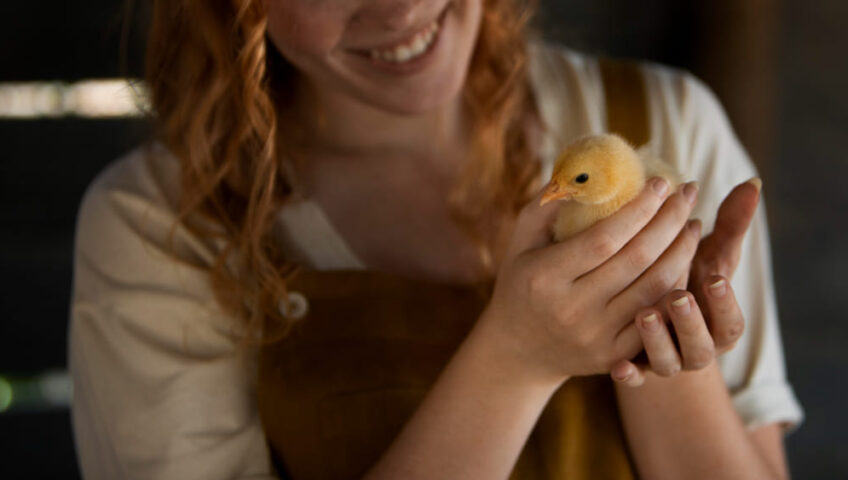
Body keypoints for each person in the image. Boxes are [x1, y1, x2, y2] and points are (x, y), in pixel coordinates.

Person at [69, 0, 803, 478]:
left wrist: (662, 339)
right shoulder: (159, 226)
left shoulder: (670, 123)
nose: (399, 9)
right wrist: (513, 360)